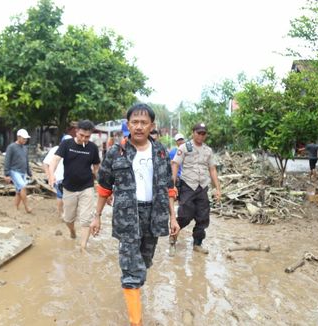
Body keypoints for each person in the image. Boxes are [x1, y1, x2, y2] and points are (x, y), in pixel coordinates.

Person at [91, 103, 179, 326]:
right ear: (128, 124)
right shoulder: (116, 152)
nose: (139, 126)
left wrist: (173, 217)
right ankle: (136, 321)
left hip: (154, 214)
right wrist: (97, 216)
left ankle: (134, 290)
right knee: (131, 269)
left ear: (152, 125)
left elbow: (168, 186)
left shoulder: (159, 151)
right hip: (127, 216)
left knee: (145, 262)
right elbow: (104, 187)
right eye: (134, 122)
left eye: (144, 122)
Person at [48, 120, 100, 252]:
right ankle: (72, 231)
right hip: (69, 188)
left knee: (86, 219)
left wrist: (99, 181)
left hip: (87, 187)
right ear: (76, 131)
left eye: (87, 136)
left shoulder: (92, 148)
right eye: (81, 135)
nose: (84, 138)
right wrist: (51, 175)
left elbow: (96, 167)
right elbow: (54, 160)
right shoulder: (66, 144)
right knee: (68, 219)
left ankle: (83, 247)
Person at [170, 123, 221, 256]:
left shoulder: (208, 151)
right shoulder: (184, 147)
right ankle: (173, 237)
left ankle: (197, 244)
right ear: (193, 132)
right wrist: (173, 184)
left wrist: (218, 189)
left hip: (202, 186)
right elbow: (175, 164)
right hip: (187, 185)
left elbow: (212, 169)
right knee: (185, 215)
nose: (201, 135)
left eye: (203, 133)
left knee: (203, 216)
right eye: (198, 133)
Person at [42, 133, 73, 217]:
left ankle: (64, 213)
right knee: (61, 195)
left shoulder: (72, 150)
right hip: (59, 178)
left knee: (66, 196)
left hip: (69, 178)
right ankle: (61, 213)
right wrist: (49, 176)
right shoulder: (55, 150)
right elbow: (45, 164)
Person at [4, 129, 33, 213]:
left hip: (23, 172)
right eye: (24, 138)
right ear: (18, 137)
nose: (25, 140)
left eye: (26, 139)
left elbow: (26, 160)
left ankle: (15, 208)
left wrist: (29, 172)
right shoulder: (11, 147)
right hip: (14, 171)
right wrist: (6, 174)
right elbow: (7, 160)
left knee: (18, 191)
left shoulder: (25, 148)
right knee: (23, 187)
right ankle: (27, 207)